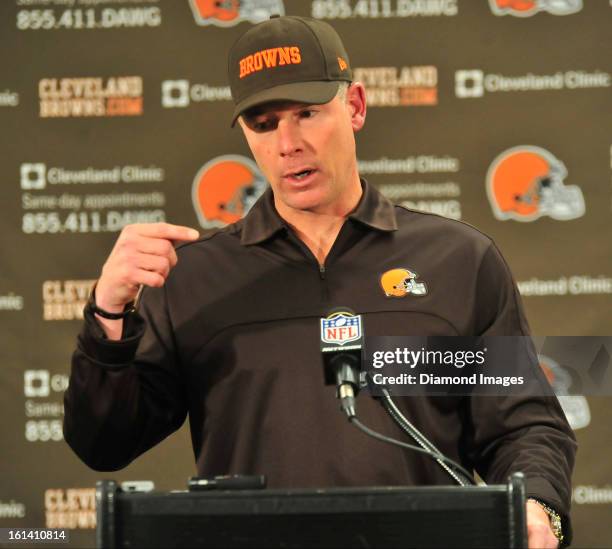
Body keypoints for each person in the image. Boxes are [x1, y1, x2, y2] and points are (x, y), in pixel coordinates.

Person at [64, 15, 576, 548]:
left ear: (354, 106)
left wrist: (538, 509)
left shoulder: (457, 262)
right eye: (264, 123)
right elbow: (104, 444)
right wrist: (107, 314)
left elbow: (523, 426)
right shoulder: (193, 276)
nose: (288, 143)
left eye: (307, 113)